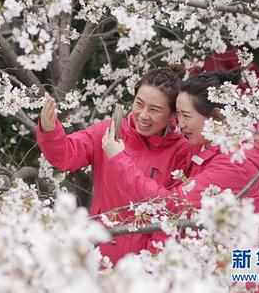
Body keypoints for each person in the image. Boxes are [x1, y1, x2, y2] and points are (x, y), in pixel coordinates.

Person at [102, 69, 259, 252]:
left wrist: (120, 160)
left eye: (186, 116)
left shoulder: (235, 162)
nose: (179, 123)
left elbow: (173, 205)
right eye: (178, 115)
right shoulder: (208, 141)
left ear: (216, 117)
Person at [36, 66, 191, 265]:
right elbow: (65, 155)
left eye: (154, 110)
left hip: (146, 262)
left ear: (173, 116)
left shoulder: (182, 151)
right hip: (102, 250)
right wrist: (49, 130)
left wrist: (153, 266)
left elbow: (174, 212)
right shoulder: (111, 132)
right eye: (139, 104)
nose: (143, 115)